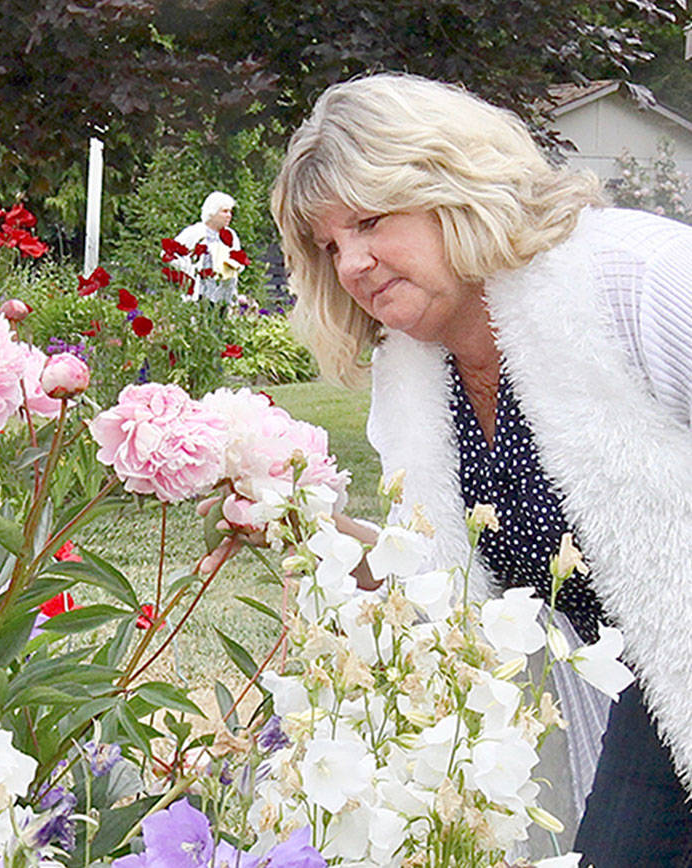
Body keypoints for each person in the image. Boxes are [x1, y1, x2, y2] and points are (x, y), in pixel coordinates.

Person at [271, 72, 692, 867]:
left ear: (451, 189)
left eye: (369, 220)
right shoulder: (416, 383)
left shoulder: (637, 281)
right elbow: (431, 580)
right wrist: (300, 524)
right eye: (331, 244)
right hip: (651, 690)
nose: (353, 262)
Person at [172, 191, 246, 307]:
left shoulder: (231, 235)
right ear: (213, 212)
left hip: (224, 294)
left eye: (230, 211)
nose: (229, 215)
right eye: (225, 211)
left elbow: (240, 260)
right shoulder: (194, 232)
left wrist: (234, 267)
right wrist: (191, 268)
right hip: (199, 293)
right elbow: (168, 254)